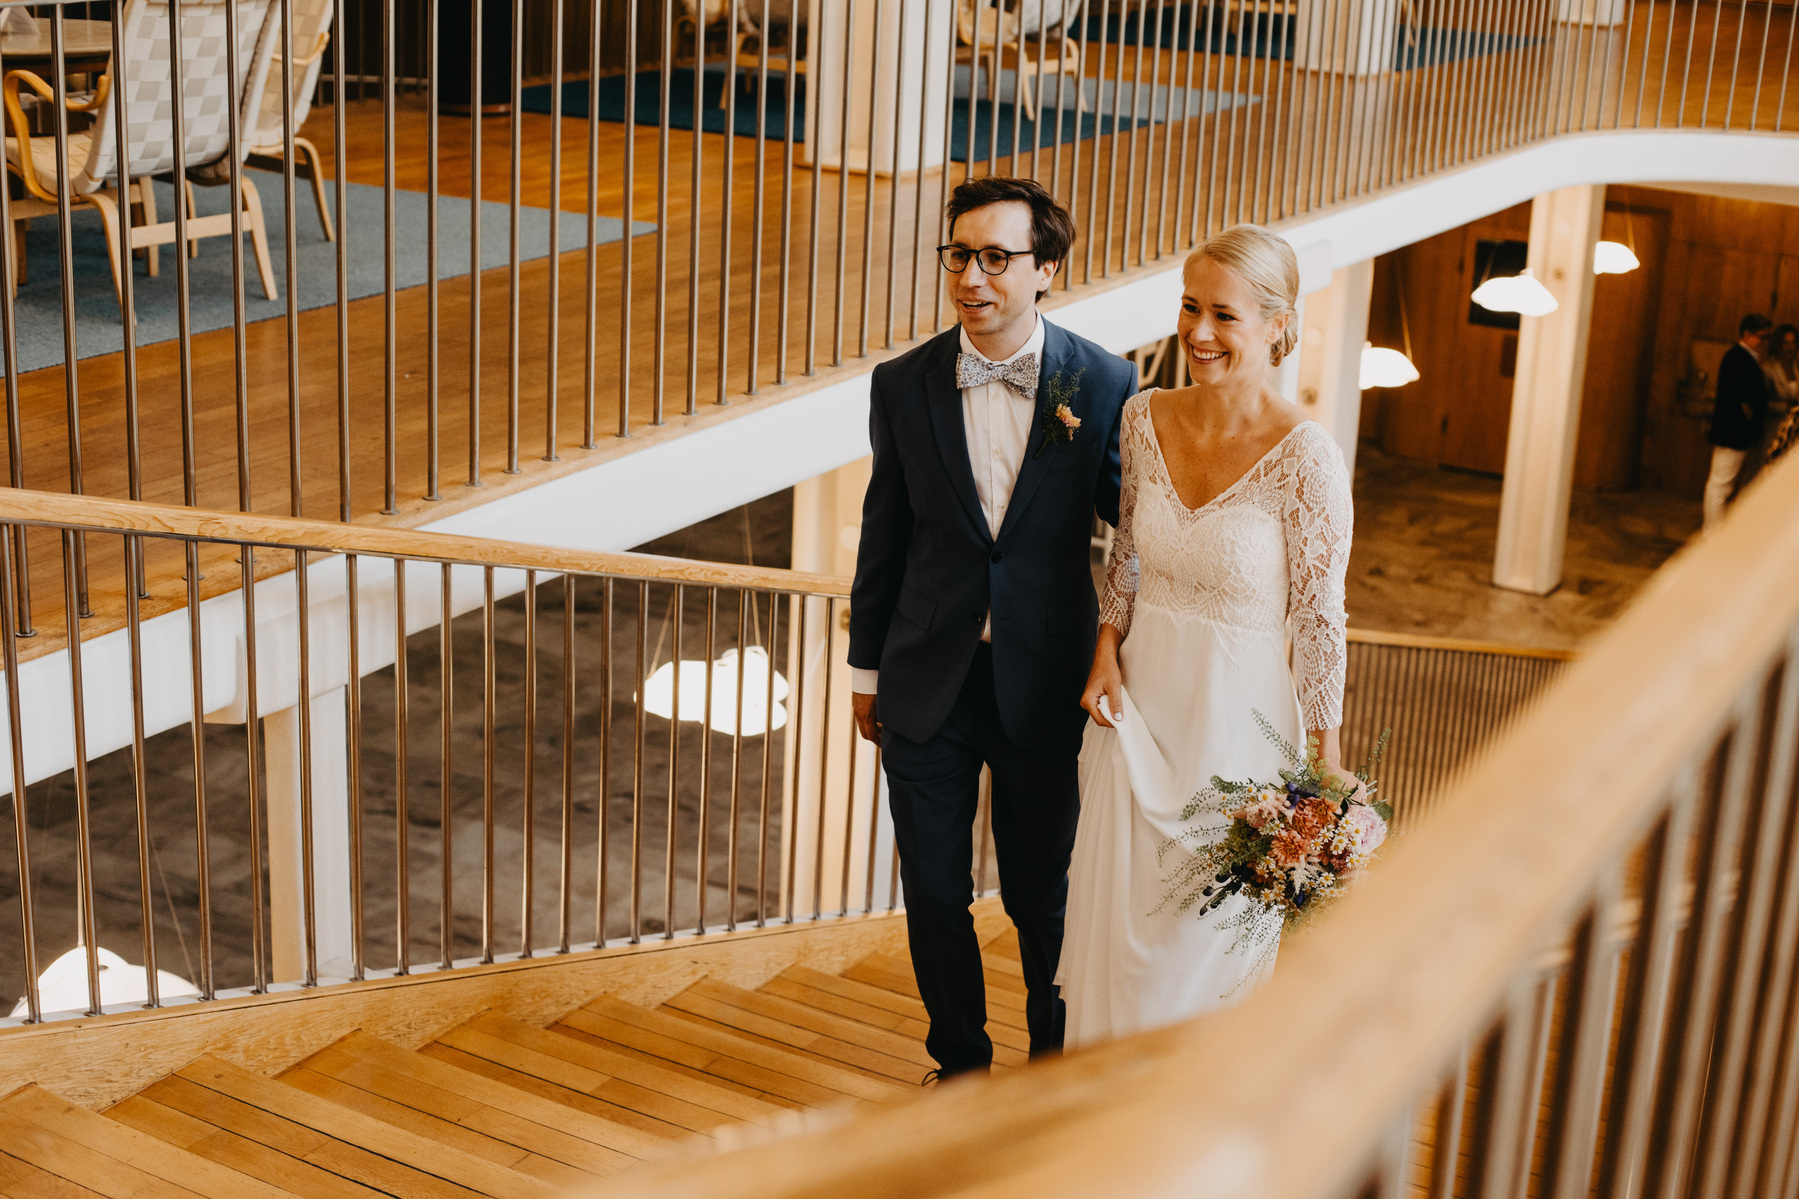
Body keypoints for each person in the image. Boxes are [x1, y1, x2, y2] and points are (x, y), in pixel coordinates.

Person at [848, 176, 1136, 1081]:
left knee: (1040, 896)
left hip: (1043, 683)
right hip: (925, 680)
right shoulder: (902, 384)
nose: (972, 277)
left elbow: (1135, 528)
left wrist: (1121, 651)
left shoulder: (1103, 380)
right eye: (959, 256)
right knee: (932, 890)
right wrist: (866, 677)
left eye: (996, 257)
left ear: (1046, 268)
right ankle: (960, 1065)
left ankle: (1050, 1073)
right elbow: (882, 533)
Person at [1058, 225, 1354, 1046]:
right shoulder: (1143, 417)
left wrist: (1325, 763)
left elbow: (1318, 620)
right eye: (1189, 307)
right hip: (1139, 714)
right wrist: (1104, 649)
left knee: (1200, 949)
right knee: (1122, 944)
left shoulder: (1307, 460)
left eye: (1222, 315)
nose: (1195, 332)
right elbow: (1125, 556)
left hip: (1236, 741)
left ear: (1277, 326)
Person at [1704, 313, 1774, 529]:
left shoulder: (1741, 357)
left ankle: (1714, 529)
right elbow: (1745, 399)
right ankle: (1712, 531)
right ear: (1747, 334)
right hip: (1734, 432)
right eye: (1761, 337)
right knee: (1720, 484)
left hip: (1735, 431)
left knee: (1723, 484)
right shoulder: (1739, 358)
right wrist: (1751, 421)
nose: (1763, 343)